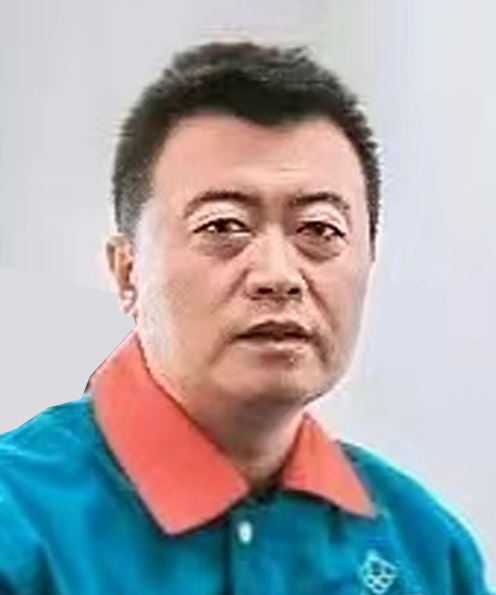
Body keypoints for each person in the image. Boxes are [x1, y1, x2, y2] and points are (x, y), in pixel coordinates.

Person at [0, 41, 492, 595]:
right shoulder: (18, 526)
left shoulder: (426, 550)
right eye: (223, 226)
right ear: (127, 270)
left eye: (320, 230)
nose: (278, 275)